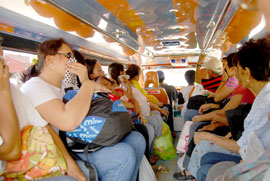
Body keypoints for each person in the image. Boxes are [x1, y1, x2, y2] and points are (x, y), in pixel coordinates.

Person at [21, 38, 145, 181]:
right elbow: (68, 121)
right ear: (50, 60)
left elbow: (88, 107)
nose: (72, 61)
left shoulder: (63, 85)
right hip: (61, 150)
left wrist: (85, 81)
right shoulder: (34, 87)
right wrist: (87, 85)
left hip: (77, 140)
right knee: (125, 154)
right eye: (68, 56)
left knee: (137, 139)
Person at [187, 38, 270, 179]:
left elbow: (242, 147)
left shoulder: (263, 104)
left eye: (238, 69)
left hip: (256, 163)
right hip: (252, 154)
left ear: (247, 72)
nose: (236, 74)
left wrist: (208, 136)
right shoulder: (262, 97)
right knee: (206, 160)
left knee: (205, 167)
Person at [0, 44, 82, 180]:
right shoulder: (31, 87)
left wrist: (70, 164)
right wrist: (3, 92)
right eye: (68, 56)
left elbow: (44, 127)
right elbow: (11, 151)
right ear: (50, 60)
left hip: (44, 159)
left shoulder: (13, 90)